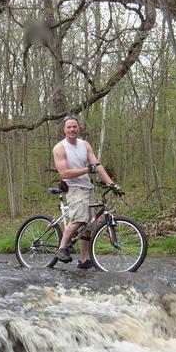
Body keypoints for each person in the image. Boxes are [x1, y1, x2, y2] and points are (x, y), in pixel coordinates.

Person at [52, 115, 122, 268]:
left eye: (74, 126)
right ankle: (61, 248)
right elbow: (64, 173)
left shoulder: (85, 145)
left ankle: (84, 260)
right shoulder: (60, 148)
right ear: (64, 129)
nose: (72, 129)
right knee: (80, 219)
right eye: (69, 127)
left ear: (79, 128)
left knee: (89, 226)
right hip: (72, 187)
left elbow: (97, 165)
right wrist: (86, 169)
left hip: (87, 187)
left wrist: (112, 184)